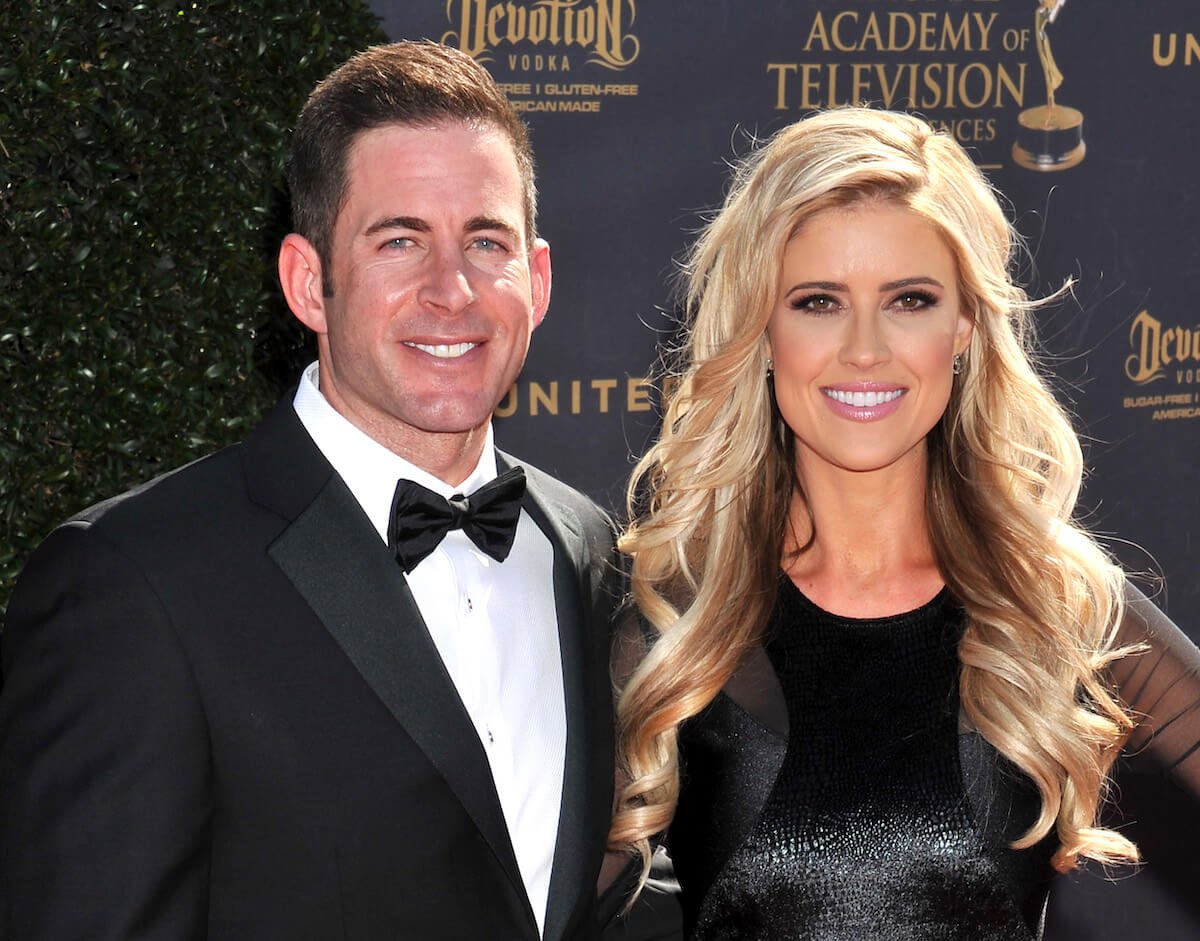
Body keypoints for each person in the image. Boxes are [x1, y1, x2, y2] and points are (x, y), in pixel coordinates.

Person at [0, 41, 621, 940]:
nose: (452, 290)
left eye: (487, 242)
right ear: (307, 283)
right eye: (400, 240)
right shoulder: (133, 582)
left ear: (540, 280)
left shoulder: (588, 550)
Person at [606, 108, 1200, 939]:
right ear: (762, 329)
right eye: (818, 301)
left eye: (909, 300)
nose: (865, 348)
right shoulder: (675, 630)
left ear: (963, 327)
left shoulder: (1054, 600)